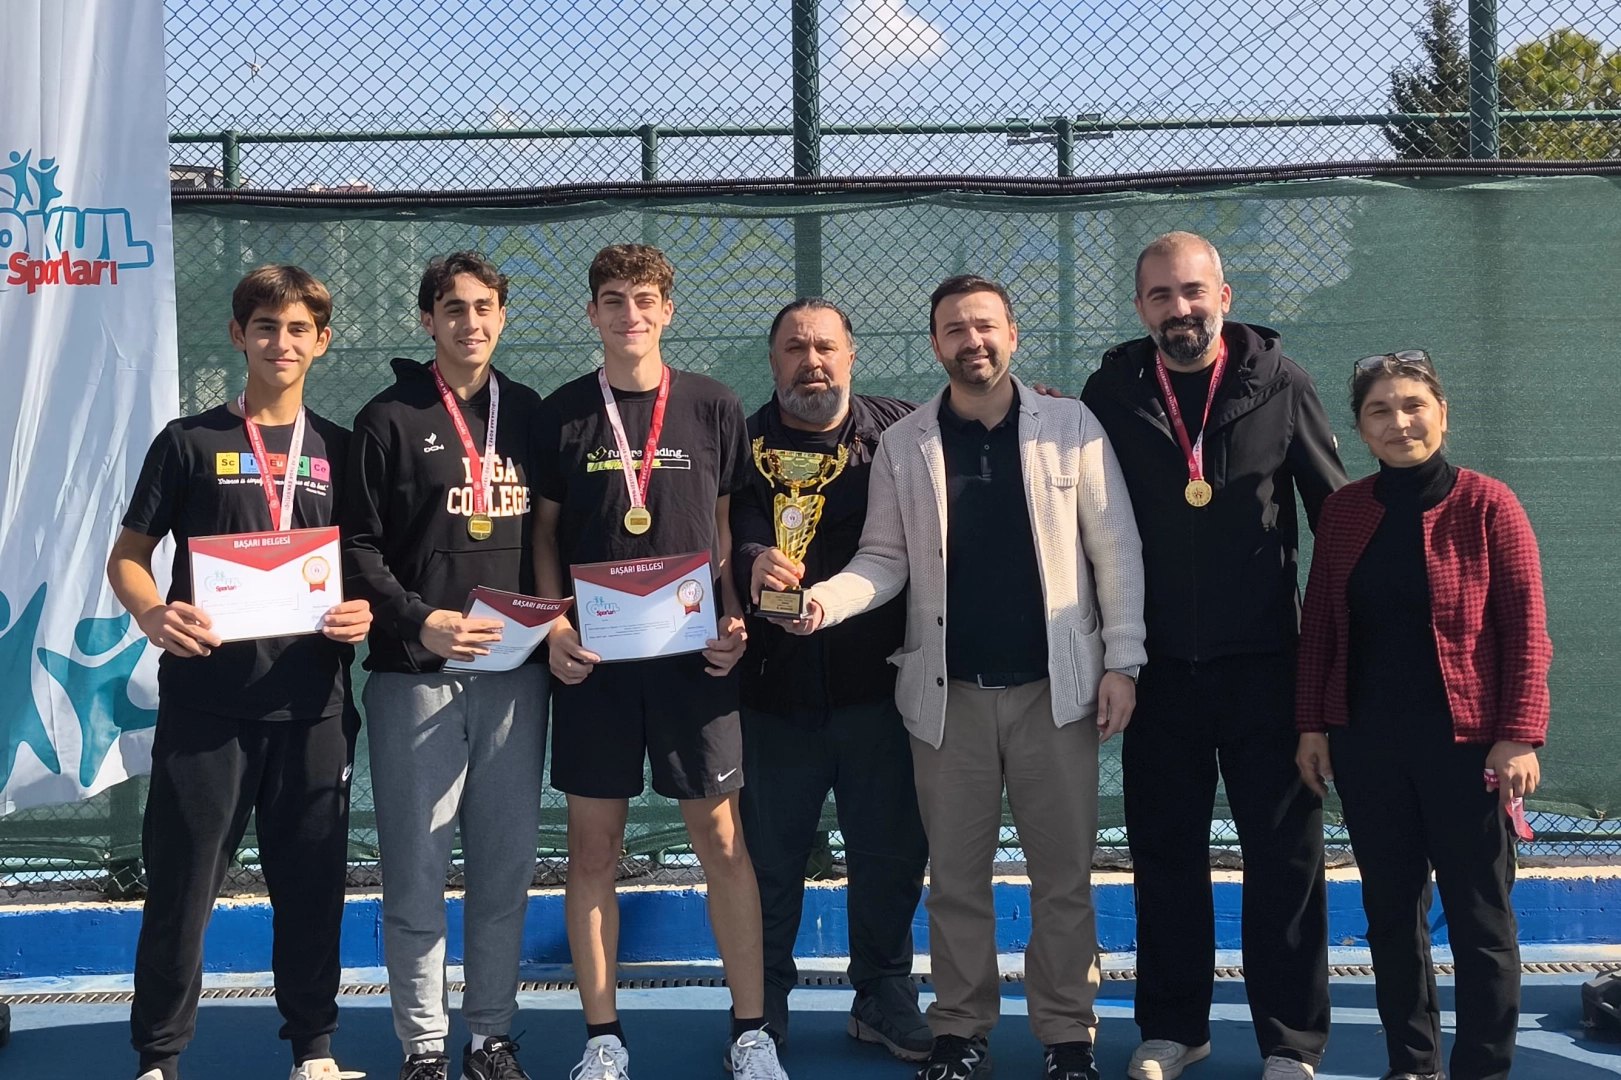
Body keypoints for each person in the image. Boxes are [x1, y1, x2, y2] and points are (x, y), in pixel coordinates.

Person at [796, 274, 1148, 1080]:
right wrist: (822, 601)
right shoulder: (904, 443)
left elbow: (1115, 548)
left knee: (1063, 881)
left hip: (1055, 695)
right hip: (945, 701)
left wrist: (1122, 661)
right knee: (955, 881)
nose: (972, 341)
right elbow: (883, 559)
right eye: (954, 329)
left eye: (985, 326)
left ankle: (1067, 1038)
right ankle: (958, 1033)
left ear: (1012, 335)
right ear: (934, 344)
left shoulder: (1071, 425)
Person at [1080, 232, 1348, 1080]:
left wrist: (1336, 663)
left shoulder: (1281, 381)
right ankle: (1173, 1029)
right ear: (1139, 308)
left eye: (1192, 291)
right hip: (1156, 671)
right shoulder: (1110, 392)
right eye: (1160, 295)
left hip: (1268, 668)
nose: (1179, 309)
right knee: (1163, 857)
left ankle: (1290, 1043)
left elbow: (1334, 518)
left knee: (1285, 862)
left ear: (1223, 297)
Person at [109, 265, 373, 1080]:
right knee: (182, 888)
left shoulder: (342, 449)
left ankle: (314, 1051)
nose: (280, 342)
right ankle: (158, 1058)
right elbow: (128, 558)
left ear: (321, 342)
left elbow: (363, 566)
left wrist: (361, 611)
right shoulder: (188, 442)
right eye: (265, 327)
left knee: (312, 889)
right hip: (207, 707)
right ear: (238, 335)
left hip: (313, 708)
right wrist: (153, 614)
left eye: (297, 329)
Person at [533, 244, 787, 1080]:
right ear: (591, 313)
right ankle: (603, 1038)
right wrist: (554, 627)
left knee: (722, 840)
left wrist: (735, 615)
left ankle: (750, 1032)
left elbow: (727, 522)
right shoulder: (563, 413)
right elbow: (543, 534)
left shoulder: (712, 404)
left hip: (692, 660)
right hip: (595, 663)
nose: (629, 314)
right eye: (613, 299)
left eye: (644, 300)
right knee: (592, 850)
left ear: (668, 311)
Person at [1296, 351, 1551, 1080]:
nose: (1399, 422)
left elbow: (1526, 629)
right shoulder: (1344, 512)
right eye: (1379, 410)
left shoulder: (1488, 504)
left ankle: (1482, 1067)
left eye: (1413, 405)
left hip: (1468, 750)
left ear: (1442, 414)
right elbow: (1320, 627)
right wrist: (1312, 725)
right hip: (1367, 747)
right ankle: (1412, 1063)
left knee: (1480, 918)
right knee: (1389, 916)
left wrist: (1517, 735)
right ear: (1359, 430)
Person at [345, 251, 549, 1080]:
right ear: (428, 320)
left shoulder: (529, 413)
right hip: (415, 678)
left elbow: (552, 533)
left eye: (483, 307)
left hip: (514, 676)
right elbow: (355, 546)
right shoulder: (387, 418)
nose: (470, 322)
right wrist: (417, 619)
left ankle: (489, 1036)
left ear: (502, 316)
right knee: (417, 870)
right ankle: (424, 1045)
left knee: (504, 869)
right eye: (453, 308)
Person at [729, 298, 931, 1061]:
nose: (810, 361)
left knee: (890, 856)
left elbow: (985, 422)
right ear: (772, 360)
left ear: (851, 355)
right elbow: (717, 525)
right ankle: (761, 1006)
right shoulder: (738, 443)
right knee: (767, 861)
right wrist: (750, 558)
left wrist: (1035, 399)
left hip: (880, 692)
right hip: (770, 695)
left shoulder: (905, 430)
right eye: (794, 348)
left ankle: (882, 994)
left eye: (824, 347)